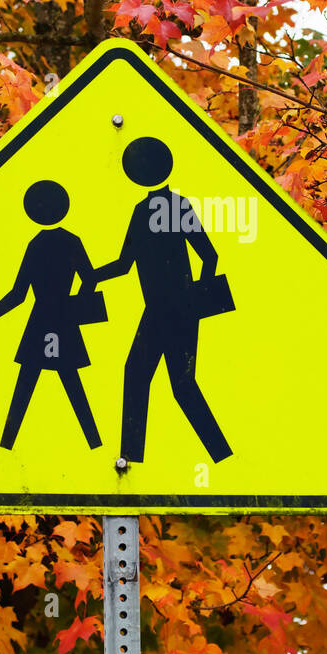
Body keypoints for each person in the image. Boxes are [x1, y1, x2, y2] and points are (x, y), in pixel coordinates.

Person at [96, 136, 233, 465]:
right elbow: (126, 263)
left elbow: (208, 254)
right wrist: (91, 275)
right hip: (158, 311)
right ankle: (132, 460)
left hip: (174, 310)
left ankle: (222, 457)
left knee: (175, 384)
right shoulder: (145, 210)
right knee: (152, 378)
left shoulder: (173, 207)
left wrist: (194, 299)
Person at [0, 180, 105, 451]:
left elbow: (19, 294)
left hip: (41, 319)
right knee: (72, 383)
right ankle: (95, 443)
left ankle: (7, 444)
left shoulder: (36, 244)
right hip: (64, 318)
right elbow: (90, 279)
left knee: (26, 385)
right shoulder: (72, 241)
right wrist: (77, 307)